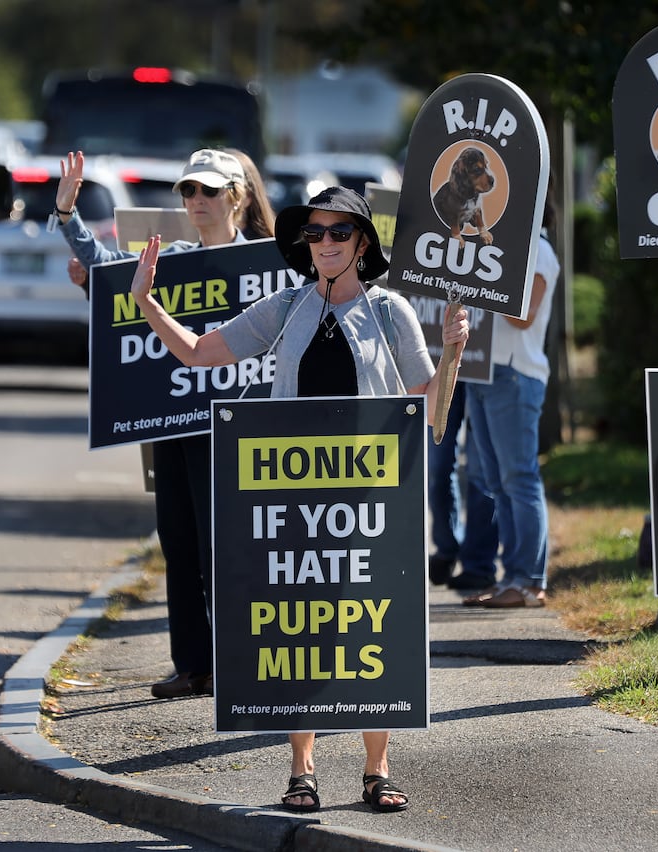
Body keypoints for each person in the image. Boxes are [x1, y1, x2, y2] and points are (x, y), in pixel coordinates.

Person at [125, 185, 468, 815]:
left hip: (371, 494)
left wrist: (451, 351)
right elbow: (202, 353)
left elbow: (429, 413)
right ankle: (302, 768)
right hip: (295, 493)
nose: (327, 244)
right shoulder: (284, 309)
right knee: (303, 621)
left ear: (363, 244)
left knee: (372, 620)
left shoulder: (390, 313)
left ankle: (377, 766)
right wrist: (145, 302)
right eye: (316, 234)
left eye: (340, 233)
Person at [54, 146, 273, 699]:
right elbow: (109, 276)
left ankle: (235, 664)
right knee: (178, 542)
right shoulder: (174, 256)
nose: (196, 200)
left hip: (234, 427)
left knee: (221, 547)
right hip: (175, 423)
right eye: (188, 191)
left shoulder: (268, 263)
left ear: (237, 196)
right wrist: (67, 215)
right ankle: (193, 665)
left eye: (208, 191)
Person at [460, 199, 558, 608]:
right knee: (497, 483)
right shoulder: (498, 246)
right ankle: (510, 579)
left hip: (515, 375)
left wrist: (482, 275)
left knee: (518, 479)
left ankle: (529, 581)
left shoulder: (539, 251)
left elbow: (522, 317)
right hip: (483, 372)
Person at [428, 380, 499, 589]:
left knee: (481, 472)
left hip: (485, 366)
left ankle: (479, 565)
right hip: (444, 362)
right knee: (437, 468)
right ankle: (447, 548)